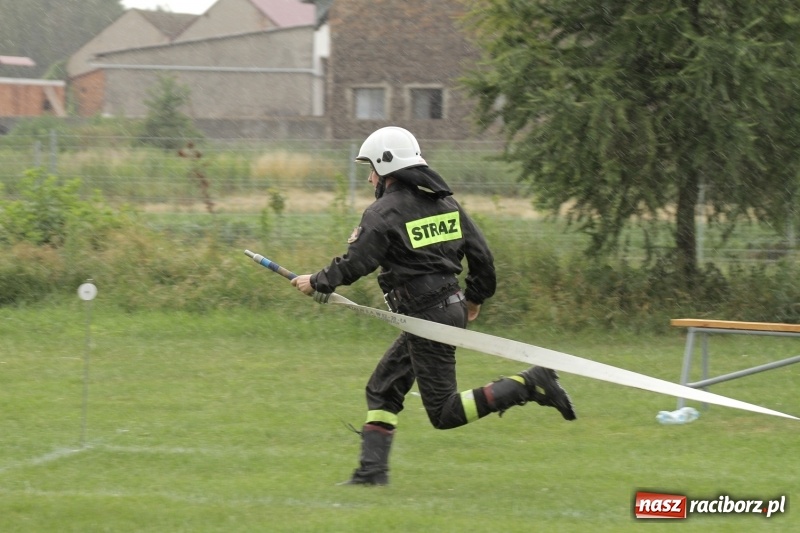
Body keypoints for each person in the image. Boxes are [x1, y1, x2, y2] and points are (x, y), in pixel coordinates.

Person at [291, 126, 576, 486]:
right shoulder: (445, 205)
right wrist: (474, 298)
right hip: (441, 311)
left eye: (372, 170)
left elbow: (357, 262)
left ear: (386, 167)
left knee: (444, 413)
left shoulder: (382, 213)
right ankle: (371, 473)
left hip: (426, 317)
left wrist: (316, 281)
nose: (368, 178)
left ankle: (528, 384)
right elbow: (483, 258)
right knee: (384, 387)